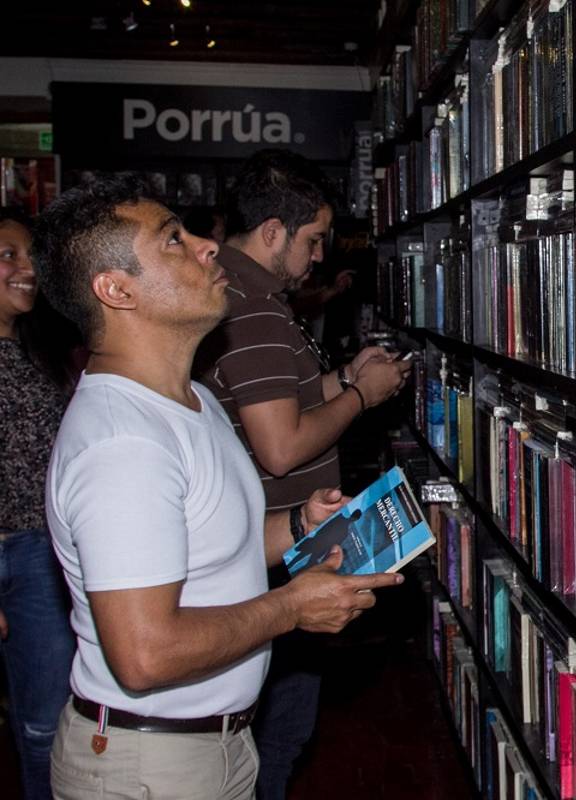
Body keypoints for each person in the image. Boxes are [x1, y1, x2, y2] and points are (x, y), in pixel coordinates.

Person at [31, 175, 402, 799]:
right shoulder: (124, 444)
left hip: (211, 745)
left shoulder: (192, 398)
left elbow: (211, 546)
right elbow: (145, 654)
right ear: (115, 290)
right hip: (149, 764)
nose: (207, 246)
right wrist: (293, 606)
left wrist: (301, 527)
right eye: (173, 240)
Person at [194, 149, 410, 800]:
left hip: (260, 536)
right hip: (276, 549)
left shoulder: (237, 292)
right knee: (281, 731)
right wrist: (362, 397)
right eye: (312, 241)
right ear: (272, 233)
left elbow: (273, 402)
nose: (318, 258)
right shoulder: (253, 310)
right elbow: (281, 448)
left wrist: (343, 378)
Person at [0, 207, 76, 800]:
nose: (27, 269)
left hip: (37, 556)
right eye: (8, 256)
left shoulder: (37, 349)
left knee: (45, 724)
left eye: (30, 256)